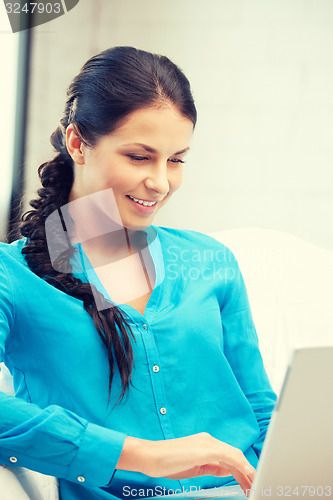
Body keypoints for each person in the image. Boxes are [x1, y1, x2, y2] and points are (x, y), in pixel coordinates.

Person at [0, 46, 277, 500]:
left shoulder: (210, 260)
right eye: (138, 157)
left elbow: (260, 407)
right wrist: (142, 455)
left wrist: (282, 482)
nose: (161, 182)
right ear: (77, 143)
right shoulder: (13, 276)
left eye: (176, 159)